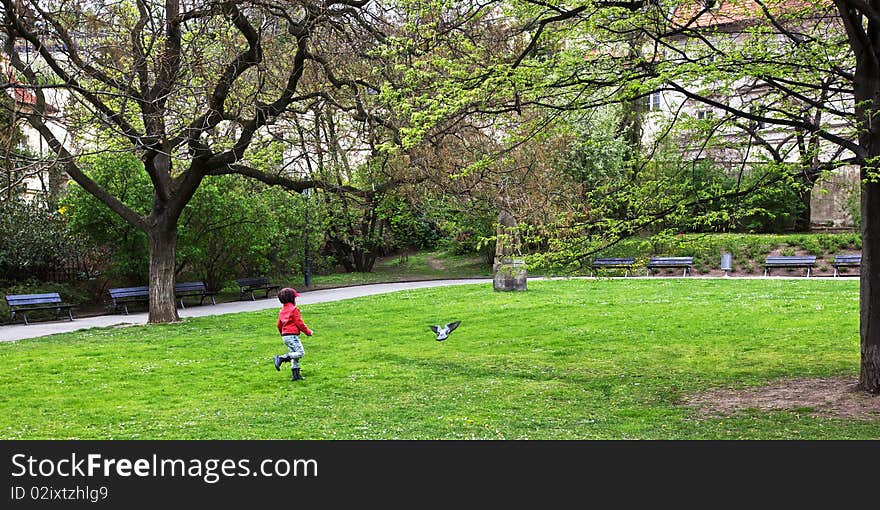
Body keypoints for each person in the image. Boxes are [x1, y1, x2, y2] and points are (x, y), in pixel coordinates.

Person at [272, 287, 313, 381]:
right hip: (292, 336)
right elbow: (300, 323)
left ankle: (296, 375)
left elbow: (278, 324)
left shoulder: (282, 310)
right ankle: (281, 358)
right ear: (292, 298)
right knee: (300, 353)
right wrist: (308, 332)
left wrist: (282, 334)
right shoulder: (294, 309)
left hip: (285, 336)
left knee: (293, 354)